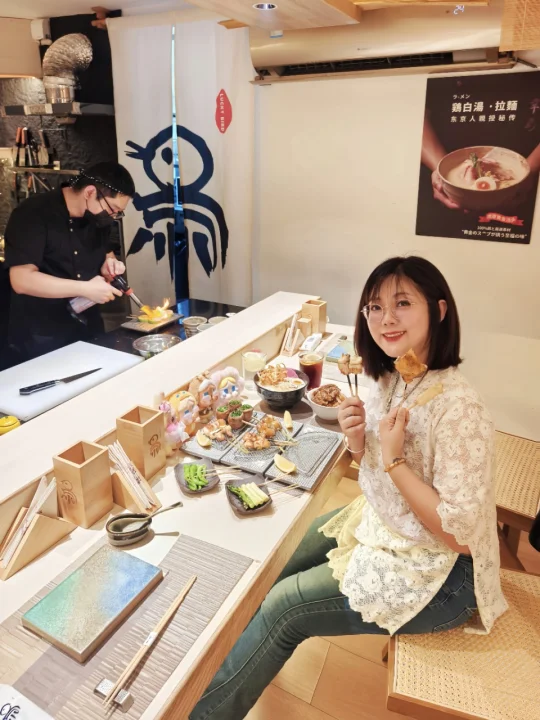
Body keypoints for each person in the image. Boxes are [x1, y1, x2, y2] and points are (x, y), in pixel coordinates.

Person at [189, 256, 507, 720]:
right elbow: (376, 471)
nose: (386, 318)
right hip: (386, 525)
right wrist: (359, 444)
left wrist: (394, 460)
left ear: (439, 310)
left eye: (403, 303)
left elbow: (459, 536)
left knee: (284, 607)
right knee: (277, 560)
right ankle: (239, 663)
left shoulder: (460, 409)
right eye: (375, 307)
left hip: (443, 572)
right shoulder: (392, 376)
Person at [4, 161, 135, 363]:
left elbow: (107, 253)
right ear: (90, 192)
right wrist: (84, 289)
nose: (113, 216)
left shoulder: (98, 219)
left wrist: (110, 264)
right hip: (42, 333)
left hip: (88, 325)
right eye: (113, 209)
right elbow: (21, 280)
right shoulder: (32, 214)